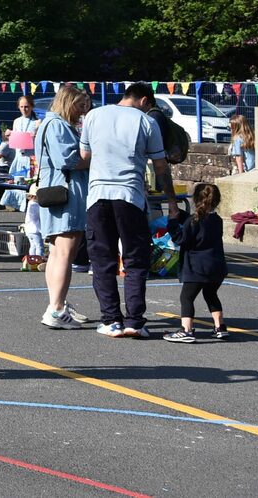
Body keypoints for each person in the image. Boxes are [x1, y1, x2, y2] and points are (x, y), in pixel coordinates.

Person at [80, 82, 179, 339]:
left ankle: (111, 319)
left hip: (98, 194)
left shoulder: (94, 115)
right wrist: (172, 201)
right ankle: (134, 321)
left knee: (103, 260)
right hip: (130, 196)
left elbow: (84, 154)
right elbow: (160, 167)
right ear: (145, 101)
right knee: (135, 260)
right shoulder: (147, 123)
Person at [36, 85, 93, 330]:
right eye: (80, 106)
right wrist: (94, 154)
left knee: (56, 253)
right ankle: (57, 309)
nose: (83, 111)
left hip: (56, 190)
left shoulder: (51, 124)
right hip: (66, 193)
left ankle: (56, 304)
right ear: (67, 103)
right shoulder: (58, 125)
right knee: (65, 254)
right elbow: (68, 160)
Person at [164, 183, 230, 343]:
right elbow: (200, 226)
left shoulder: (193, 221)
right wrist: (181, 216)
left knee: (186, 297)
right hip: (216, 266)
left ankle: (186, 330)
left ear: (195, 199)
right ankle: (220, 327)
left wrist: (172, 222)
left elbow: (181, 238)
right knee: (210, 294)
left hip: (197, 267)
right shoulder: (217, 220)